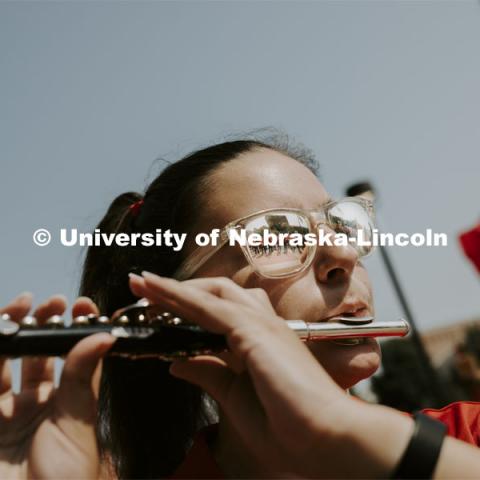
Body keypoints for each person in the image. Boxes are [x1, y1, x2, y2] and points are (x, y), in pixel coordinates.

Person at [1, 136, 480, 479]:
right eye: (277, 236)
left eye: (340, 225)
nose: (343, 255)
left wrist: (347, 435)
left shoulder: (468, 436)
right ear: (179, 311)